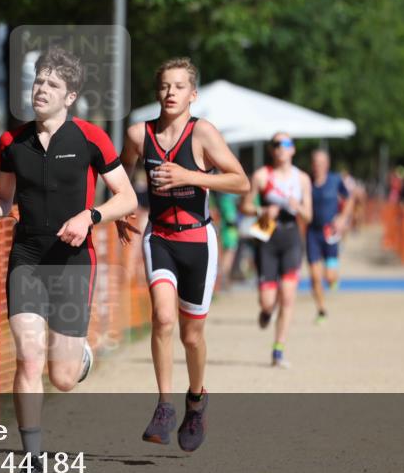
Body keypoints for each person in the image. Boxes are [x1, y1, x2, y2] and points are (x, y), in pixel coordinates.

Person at [0, 46, 137, 473]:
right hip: (27, 258)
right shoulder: (11, 143)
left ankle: (79, 355)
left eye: (52, 84)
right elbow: (6, 198)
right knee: (29, 356)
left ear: (70, 96)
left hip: (72, 262)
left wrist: (90, 217)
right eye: (38, 81)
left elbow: (127, 197)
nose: (41, 89)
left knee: (63, 378)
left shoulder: (90, 138)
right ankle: (31, 458)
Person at [116, 57, 249, 452]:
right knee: (162, 318)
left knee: (192, 336)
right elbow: (120, 175)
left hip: (198, 241)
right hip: (159, 237)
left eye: (179, 86)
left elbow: (241, 182)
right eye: (164, 86)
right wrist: (121, 209)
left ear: (193, 94)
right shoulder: (138, 135)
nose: (170, 93)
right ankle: (164, 405)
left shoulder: (202, 133)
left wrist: (189, 175)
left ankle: (196, 399)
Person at [241, 133, 312, 368]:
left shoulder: (302, 179)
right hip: (266, 231)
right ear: (272, 150)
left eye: (286, 144)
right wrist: (261, 211)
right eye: (277, 144)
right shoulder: (262, 176)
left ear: (293, 149)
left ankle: (278, 349)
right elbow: (245, 205)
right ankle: (265, 312)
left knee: (288, 297)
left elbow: (309, 216)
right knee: (267, 301)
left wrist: (298, 207)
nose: (282, 148)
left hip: (291, 235)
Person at [306, 149, 353, 323]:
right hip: (312, 232)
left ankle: (333, 279)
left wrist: (342, 218)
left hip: (330, 233)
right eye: (315, 163)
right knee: (315, 277)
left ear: (327, 164)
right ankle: (321, 310)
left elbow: (350, 199)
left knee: (330, 277)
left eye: (321, 163)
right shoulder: (306, 181)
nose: (318, 166)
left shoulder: (335, 180)